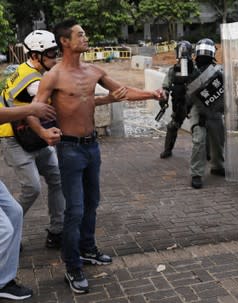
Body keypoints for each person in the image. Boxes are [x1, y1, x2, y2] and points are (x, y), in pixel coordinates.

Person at [28, 19, 165, 294]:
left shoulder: (94, 71)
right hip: (69, 149)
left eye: (85, 33)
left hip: (92, 147)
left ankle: (88, 249)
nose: (85, 38)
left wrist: (152, 92)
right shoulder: (53, 76)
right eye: (80, 34)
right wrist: (44, 135)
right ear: (65, 41)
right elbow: (33, 110)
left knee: (92, 202)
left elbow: (122, 92)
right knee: (75, 209)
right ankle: (72, 265)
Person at [0, 30, 65, 249]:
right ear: (36, 55)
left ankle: (57, 230)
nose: (54, 58)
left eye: (56, 53)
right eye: (50, 54)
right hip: (13, 138)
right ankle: (8, 230)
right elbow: (32, 109)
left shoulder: (26, 69)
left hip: (32, 136)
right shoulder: (34, 80)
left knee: (57, 178)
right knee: (32, 188)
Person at [0, 102, 56, 301]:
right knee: (4, 230)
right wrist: (31, 111)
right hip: (16, 141)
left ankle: (4, 282)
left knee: (14, 212)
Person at [187, 38, 225, 189]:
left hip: (215, 109)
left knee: (218, 140)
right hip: (198, 110)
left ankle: (217, 166)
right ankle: (196, 173)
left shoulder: (218, 71)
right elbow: (187, 94)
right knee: (199, 141)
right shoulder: (190, 72)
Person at [159, 40, 195, 159]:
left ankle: (208, 154)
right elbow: (165, 86)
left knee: (200, 129)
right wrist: (164, 97)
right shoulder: (173, 71)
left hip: (195, 105)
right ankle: (167, 150)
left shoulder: (196, 69)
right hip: (180, 104)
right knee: (172, 126)